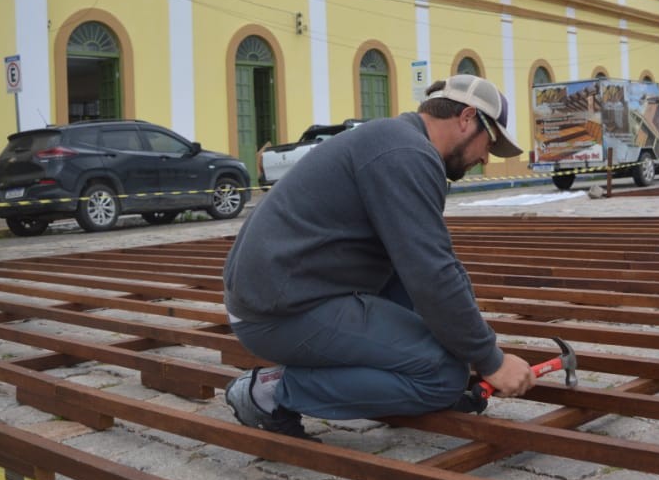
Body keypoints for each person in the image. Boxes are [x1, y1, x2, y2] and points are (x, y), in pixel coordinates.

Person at [222, 74, 535, 439]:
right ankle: (273, 393)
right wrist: (490, 360)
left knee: (451, 351)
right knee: (442, 374)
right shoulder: (406, 154)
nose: (484, 157)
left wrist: (475, 346)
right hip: (279, 314)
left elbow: (437, 263)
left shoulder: (398, 142)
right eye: (489, 143)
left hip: (291, 293)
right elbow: (430, 273)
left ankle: (415, 383)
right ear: (467, 118)